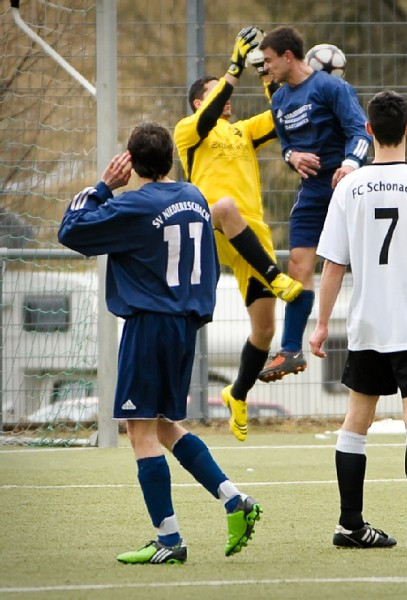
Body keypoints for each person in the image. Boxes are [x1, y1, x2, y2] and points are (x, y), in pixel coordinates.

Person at [58, 123, 262, 564]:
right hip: (184, 325)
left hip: (149, 324)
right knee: (164, 424)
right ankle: (234, 500)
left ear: (130, 162)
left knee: (139, 430)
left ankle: (169, 540)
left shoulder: (131, 205)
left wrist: (103, 186)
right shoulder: (193, 197)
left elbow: (71, 231)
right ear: (171, 157)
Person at [309, 90, 407, 551]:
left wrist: (319, 324)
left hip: (367, 322)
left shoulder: (348, 186)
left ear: (368, 131)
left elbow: (332, 265)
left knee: (356, 421)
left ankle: (350, 524)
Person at [174, 26, 302, 443]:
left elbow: (280, 118)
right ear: (200, 101)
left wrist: (268, 75)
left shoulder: (244, 131)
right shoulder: (189, 130)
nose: (225, 99)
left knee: (264, 331)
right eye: (215, 93)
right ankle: (274, 274)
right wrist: (232, 67)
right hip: (208, 226)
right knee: (225, 206)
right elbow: (209, 114)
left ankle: (238, 393)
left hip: (249, 232)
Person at [256, 26, 372, 383]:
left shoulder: (331, 87)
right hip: (311, 191)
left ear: (289, 56)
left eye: (270, 61)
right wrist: (293, 156)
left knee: (362, 264)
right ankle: (291, 350)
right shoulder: (279, 99)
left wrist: (350, 164)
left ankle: (376, 341)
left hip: (346, 186)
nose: (266, 68)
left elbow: (360, 132)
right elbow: (286, 144)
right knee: (298, 264)